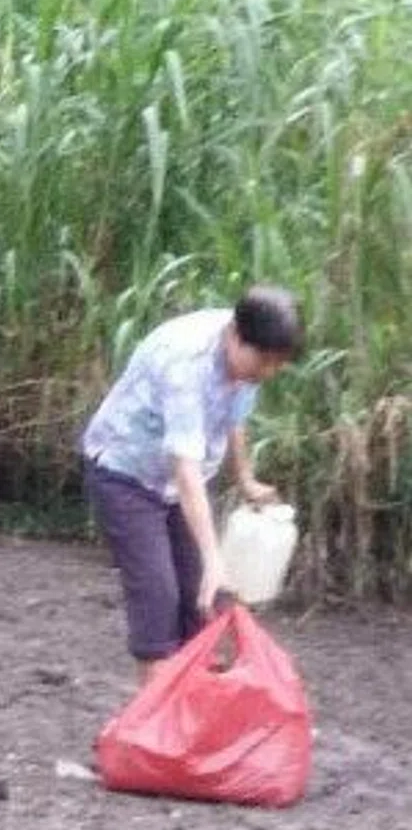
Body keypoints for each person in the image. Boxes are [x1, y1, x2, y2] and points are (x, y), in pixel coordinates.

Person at [81, 285, 303, 686]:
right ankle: (158, 733)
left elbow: (233, 418)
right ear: (235, 336)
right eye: (264, 362)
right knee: (158, 596)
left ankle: (194, 714)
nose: (267, 373)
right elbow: (185, 468)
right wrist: (214, 559)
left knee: (203, 602)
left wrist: (246, 479)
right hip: (126, 475)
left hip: (180, 482)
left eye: (276, 364)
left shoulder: (249, 353)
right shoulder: (185, 363)